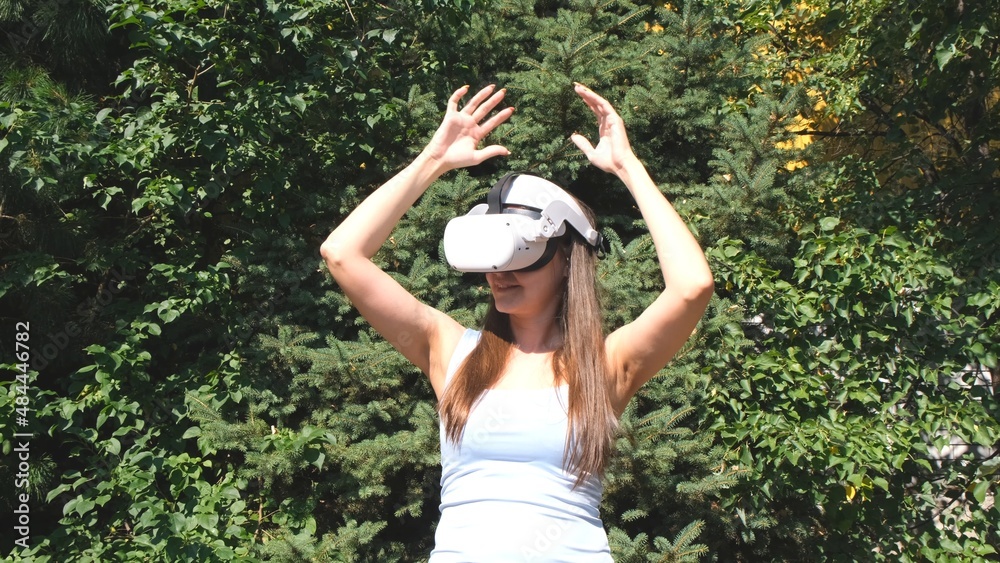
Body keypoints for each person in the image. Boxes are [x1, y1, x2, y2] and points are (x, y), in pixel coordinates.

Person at [320, 83, 714, 561]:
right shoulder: (451, 351)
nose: (499, 274)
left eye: (520, 253)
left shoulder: (607, 364)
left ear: (565, 259)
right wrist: (433, 160)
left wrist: (628, 168)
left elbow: (692, 286)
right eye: (492, 256)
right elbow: (342, 254)